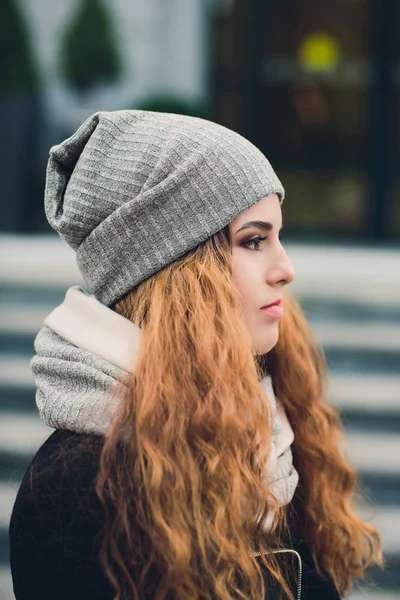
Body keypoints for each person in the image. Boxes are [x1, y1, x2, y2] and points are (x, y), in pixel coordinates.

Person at [9, 110, 382, 600]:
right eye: (254, 241)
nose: (285, 269)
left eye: (278, 237)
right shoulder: (77, 489)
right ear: (180, 274)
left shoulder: (274, 436)